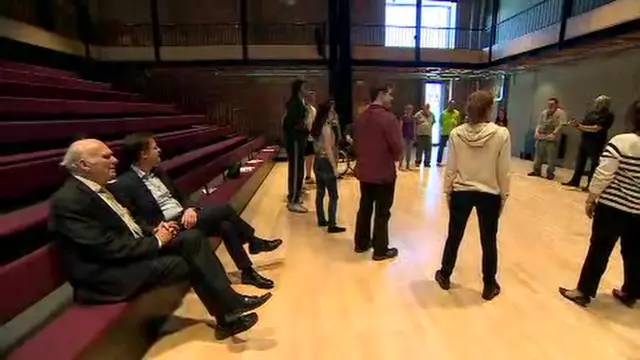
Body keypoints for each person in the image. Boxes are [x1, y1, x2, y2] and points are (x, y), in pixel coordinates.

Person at [50, 139, 272, 340]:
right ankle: (228, 314)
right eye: (106, 156)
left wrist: (154, 230)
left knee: (192, 239)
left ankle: (229, 313)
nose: (115, 159)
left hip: (126, 254)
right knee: (188, 260)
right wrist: (156, 241)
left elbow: (129, 223)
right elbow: (106, 247)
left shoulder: (97, 189)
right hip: (105, 275)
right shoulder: (69, 201)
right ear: (84, 165)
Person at [108, 133, 283, 290]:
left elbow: (181, 195)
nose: (159, 150)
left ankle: (247, 271)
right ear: (143, 154)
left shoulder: (159, 172)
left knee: (225, 225)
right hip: (167, 227)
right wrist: (155, 229)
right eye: (155, 148)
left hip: (184, 216)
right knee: (223, 209)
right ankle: (253, 241)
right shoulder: (125, 183)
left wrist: (190, 208)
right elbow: (133, 218)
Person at [559, 100, 640, 308]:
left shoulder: (621, 142)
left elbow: (604, 172)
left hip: (613, 207)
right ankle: (631, 292)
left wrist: (591, 196)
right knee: (634, 253)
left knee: (600, 249)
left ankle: (583, 291)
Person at [434, 90, 511, 301]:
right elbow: (504, 170)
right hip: (490, 193)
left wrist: (447, 191)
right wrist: (504, 195)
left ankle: (445, 274)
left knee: (454, 236)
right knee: (489, 240)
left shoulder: (456, 133)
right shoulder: (501, 134)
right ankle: (489, 285)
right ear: (489, 109)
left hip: (461, 191)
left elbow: (451, 168)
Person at [353, 84, 403, 261]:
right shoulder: (388, 119)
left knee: (365, 208)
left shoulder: (361, 117)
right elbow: (397, 147)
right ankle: (380, 250)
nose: (392, 99)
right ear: (381, 94)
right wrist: (396, 157)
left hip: (365, 171)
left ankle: (361, 243)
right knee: (382, 212)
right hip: (383, 173)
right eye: (390, 95)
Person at [563, 95, 615, 190]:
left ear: (603, 104)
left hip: (596, 142)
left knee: (594, 164)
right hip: (585, 140)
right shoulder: (591, 113)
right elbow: (583, 125)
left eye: (597, 102)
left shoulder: (608, 115)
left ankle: (590, 185)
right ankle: (575, 181)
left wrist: (580, 127)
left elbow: (597, 128)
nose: (595, 103)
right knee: (580, 162)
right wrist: (576, 125)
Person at [310, 101, 346, 233]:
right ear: (327, 113)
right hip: (326, 162)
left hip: (317, 161)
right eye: (332, 111)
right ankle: (332, 224)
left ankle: (321, 219)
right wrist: (335, 168)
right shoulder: (326, 128)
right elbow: (329, 149)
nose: (334, 114)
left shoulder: (317, 127)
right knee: (333, 195)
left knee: (320, 192)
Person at [282, 79, 309, 213]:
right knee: (296, 170)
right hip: (295, 141)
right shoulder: (294, 104)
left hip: (298, 140)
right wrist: (305, 129)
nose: (307, 89)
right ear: (299, 89)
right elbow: (290, 125)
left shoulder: (299, 103)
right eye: (304, 87)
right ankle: (293, 201)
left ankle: (295, 196)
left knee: (298, 170)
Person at [528, 98, 567, 180]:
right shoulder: (544, 112)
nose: (550, 106)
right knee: (538, 155)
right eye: (549, 104)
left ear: (556, 104)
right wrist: (536, 132)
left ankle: (550, 173)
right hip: (542, 136)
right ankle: (536, 170)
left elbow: (561, 125)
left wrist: (554, 133)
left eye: (552, 104)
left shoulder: (561, 113)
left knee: (551, 157)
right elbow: (539, 123)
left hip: (552, 138)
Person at [437, 100, 461, 166]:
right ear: (448, 105)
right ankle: (438, 161)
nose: (452, 106)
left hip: (453, 133)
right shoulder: (443, 113)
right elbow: (440, 122)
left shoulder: (457, 113)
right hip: (444, 133)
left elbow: (458, 122)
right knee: (441, 147)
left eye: (453, 105)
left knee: (453, 148)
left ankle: (452, 162)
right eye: (451, 105)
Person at [414, 103, 435, 167]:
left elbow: (433, 122)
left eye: (428, 107)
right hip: (420, 134)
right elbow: (414, 123)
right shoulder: (418, 114)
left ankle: (427, 162)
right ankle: (418, 161)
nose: (427, 108)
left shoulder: (432, 114)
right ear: (423, 107)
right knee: (419, 149)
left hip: (428, 134)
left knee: (428, 149)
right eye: (426, 107)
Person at [304, 90, 317, 185]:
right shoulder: (303, 109)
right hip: (304, 137)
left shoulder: (313, 109)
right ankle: (304, 176)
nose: (313, 99)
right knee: (305, 157)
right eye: (311, 97)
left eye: (314, 97)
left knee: (310, 156)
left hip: (311, 137)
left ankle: (308, 176)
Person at [399, 104, 416, 170]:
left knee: (409, 152)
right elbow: (400, 127)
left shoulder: (413, 118)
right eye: (408, 109)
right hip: (404, 136)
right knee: (402, 151)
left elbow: (414, 127)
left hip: (410, 136)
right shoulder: (403, 118)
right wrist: (400, 136)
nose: (409, 110)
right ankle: (400, 165)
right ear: (406, 110)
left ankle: (408, 165)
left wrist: (414, 136)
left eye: (410, 109)